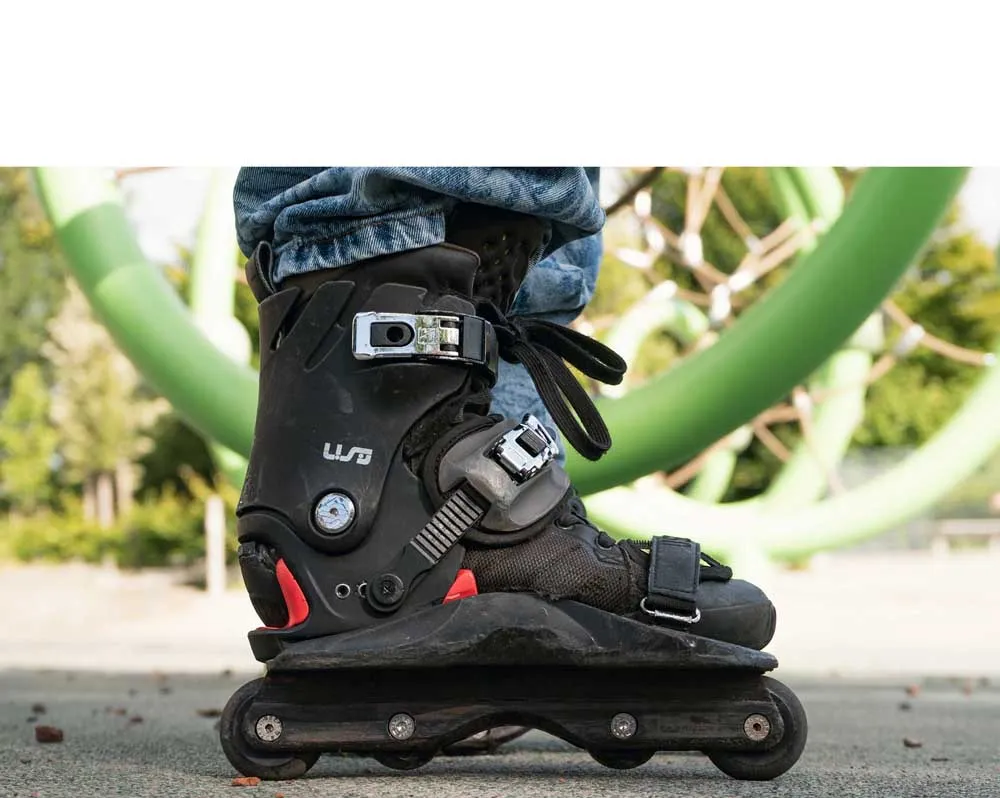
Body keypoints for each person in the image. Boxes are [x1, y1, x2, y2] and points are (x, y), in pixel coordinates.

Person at [232, 168, 775, 752]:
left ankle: (474, 543)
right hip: (395, 557)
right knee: (414, 196)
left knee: (515, 263)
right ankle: (416, 545)